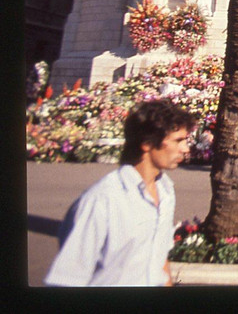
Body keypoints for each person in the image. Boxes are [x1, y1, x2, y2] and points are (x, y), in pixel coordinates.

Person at [45, 100, 196, 286]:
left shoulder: (165, 191)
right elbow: (67, 279)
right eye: (178, 141)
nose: (186, 148)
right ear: (147, 143)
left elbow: (158, 257)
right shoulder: (102, 200)